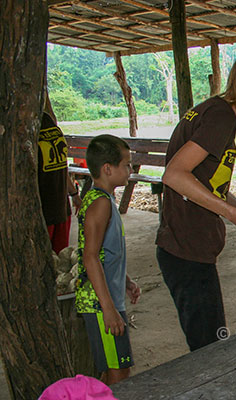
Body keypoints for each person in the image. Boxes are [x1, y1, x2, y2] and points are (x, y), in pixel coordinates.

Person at [155, 53, 236, 351]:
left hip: (187, 248)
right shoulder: (221, 116)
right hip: (186, 251)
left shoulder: (214, 111)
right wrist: (234, 217)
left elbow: (207, 185)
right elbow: (174, 175)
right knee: (209, 351)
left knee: (208, 342)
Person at [75, 134, 141, 385]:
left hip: (108, 298)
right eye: (126, 164)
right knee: (119, 373)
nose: (130, 169)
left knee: (114, 369)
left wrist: (125, 280)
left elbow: (104, 254)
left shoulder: (104, 199)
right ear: (107, 169)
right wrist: (109, 309)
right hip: (100, 302)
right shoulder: (100, 203)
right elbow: (90, 258)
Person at [38, 111, 82, 254]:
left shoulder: (50, 122)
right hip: (42, 209)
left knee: (60, 258)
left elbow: (61, 167)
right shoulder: (22, 129)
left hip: (61, 206)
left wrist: (74, 194)